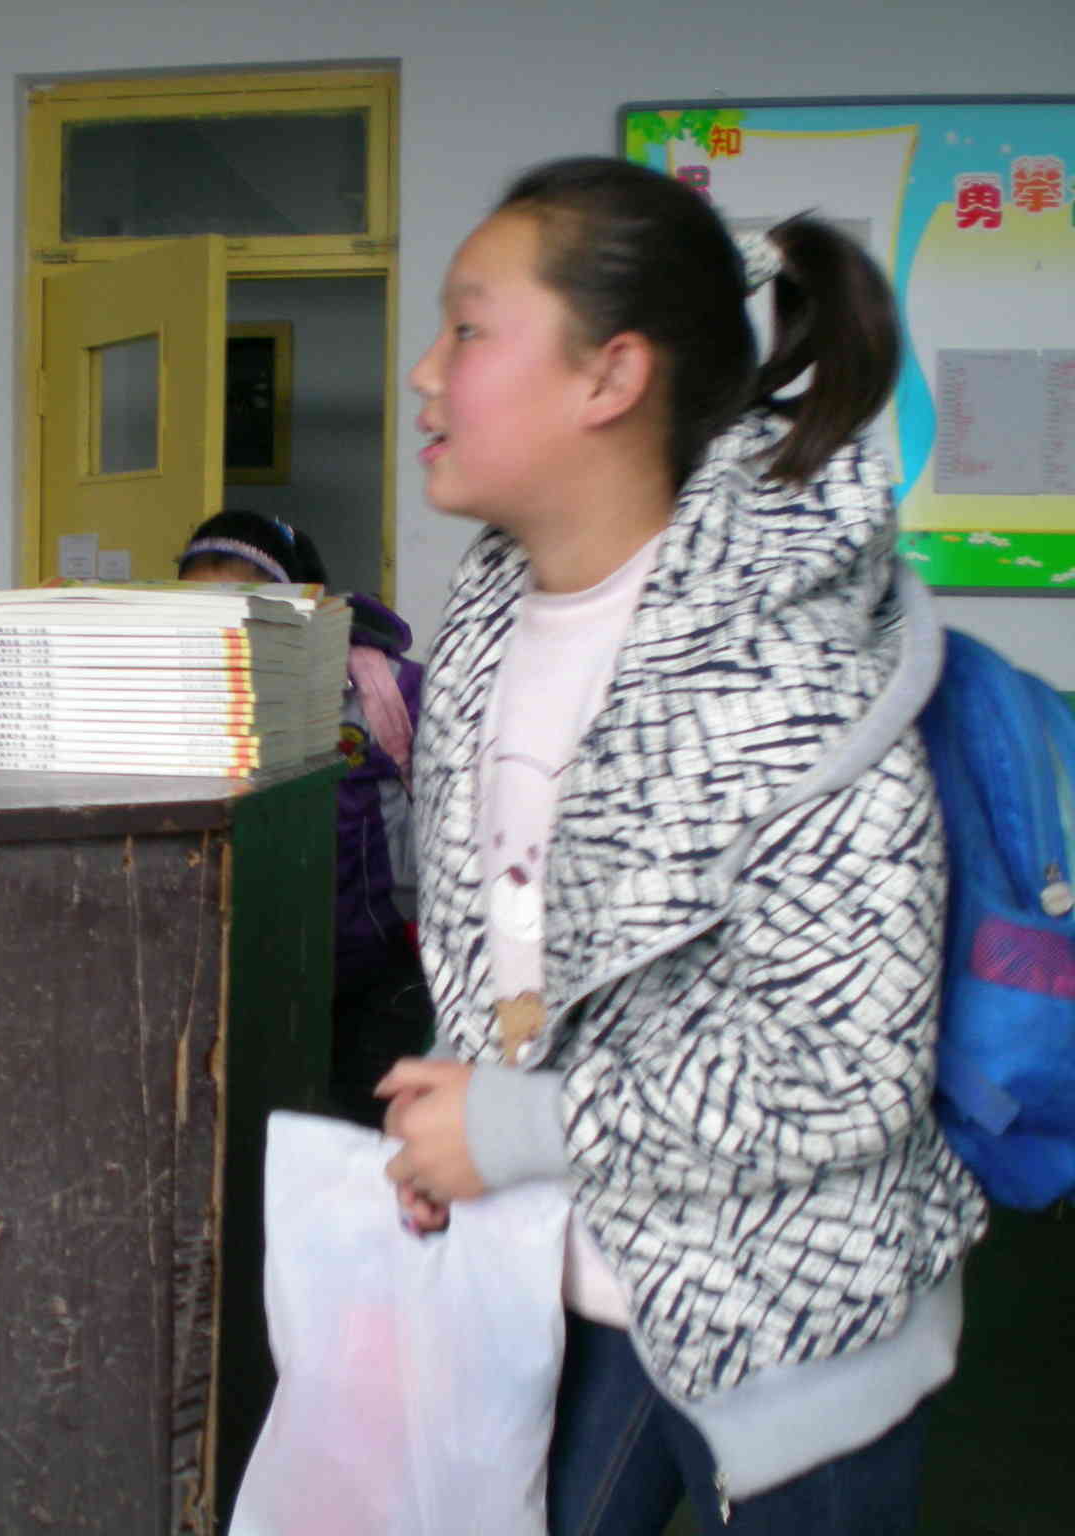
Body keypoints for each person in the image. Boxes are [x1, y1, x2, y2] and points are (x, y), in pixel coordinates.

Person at [377, 156, 987, 1534]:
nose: (425, 372)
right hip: (564, 1281)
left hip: (789, 1329)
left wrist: (515, 1126)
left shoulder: (793, 668)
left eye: (468, 328)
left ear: (611, 376)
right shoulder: (483, 633)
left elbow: (842, 1074)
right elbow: (521, 959)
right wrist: (455, 1135)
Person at [175, 509, 433, 1121]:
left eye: (249, 610)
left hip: (377, 965)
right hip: (249, 966)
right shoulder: (176, 691)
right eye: (198, 611)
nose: (227, 632)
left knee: (362, 1123)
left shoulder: (389, 690)